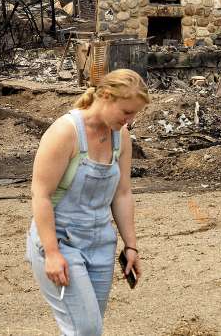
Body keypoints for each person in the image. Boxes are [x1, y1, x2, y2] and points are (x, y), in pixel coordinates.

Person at [26, 68, 147, 335]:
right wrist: (52, 253)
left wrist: (131, 246)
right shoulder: (64, 133)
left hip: (100, 244)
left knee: (86, 328)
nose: (130, 120)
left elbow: (122, 193)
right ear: (105, 95)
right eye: (127, 112)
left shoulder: (120, 135)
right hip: (60, 241)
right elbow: (41, 196)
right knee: (87, 330)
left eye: (135, 113)